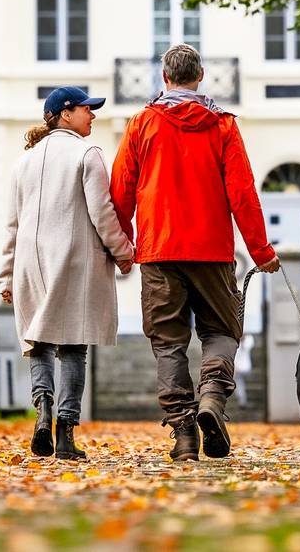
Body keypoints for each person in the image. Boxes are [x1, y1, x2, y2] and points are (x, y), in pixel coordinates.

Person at [110, 44, 280, 461]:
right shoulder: (222, 125)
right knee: (221, 331)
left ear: (164, 77)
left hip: (159, 251)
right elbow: (242, 192)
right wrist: (260, 251)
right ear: (200, 76)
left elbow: (121, 190)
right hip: (212, 252)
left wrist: (123, 244)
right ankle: (212, 399)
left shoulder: (142, 124)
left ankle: (184, 434)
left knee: (168, 343)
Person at [0, 86, 134, 461]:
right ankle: (65, 434)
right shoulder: (87, 154)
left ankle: (42, 410)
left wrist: (6, 277)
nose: (93, 115)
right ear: (65, 114)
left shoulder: (23, 162)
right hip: (74, 261)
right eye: (86, 109)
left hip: (30, 264)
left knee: (38, 343)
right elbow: (102, 213)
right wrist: (124, 253)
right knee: (74, 346)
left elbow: (12, 226)